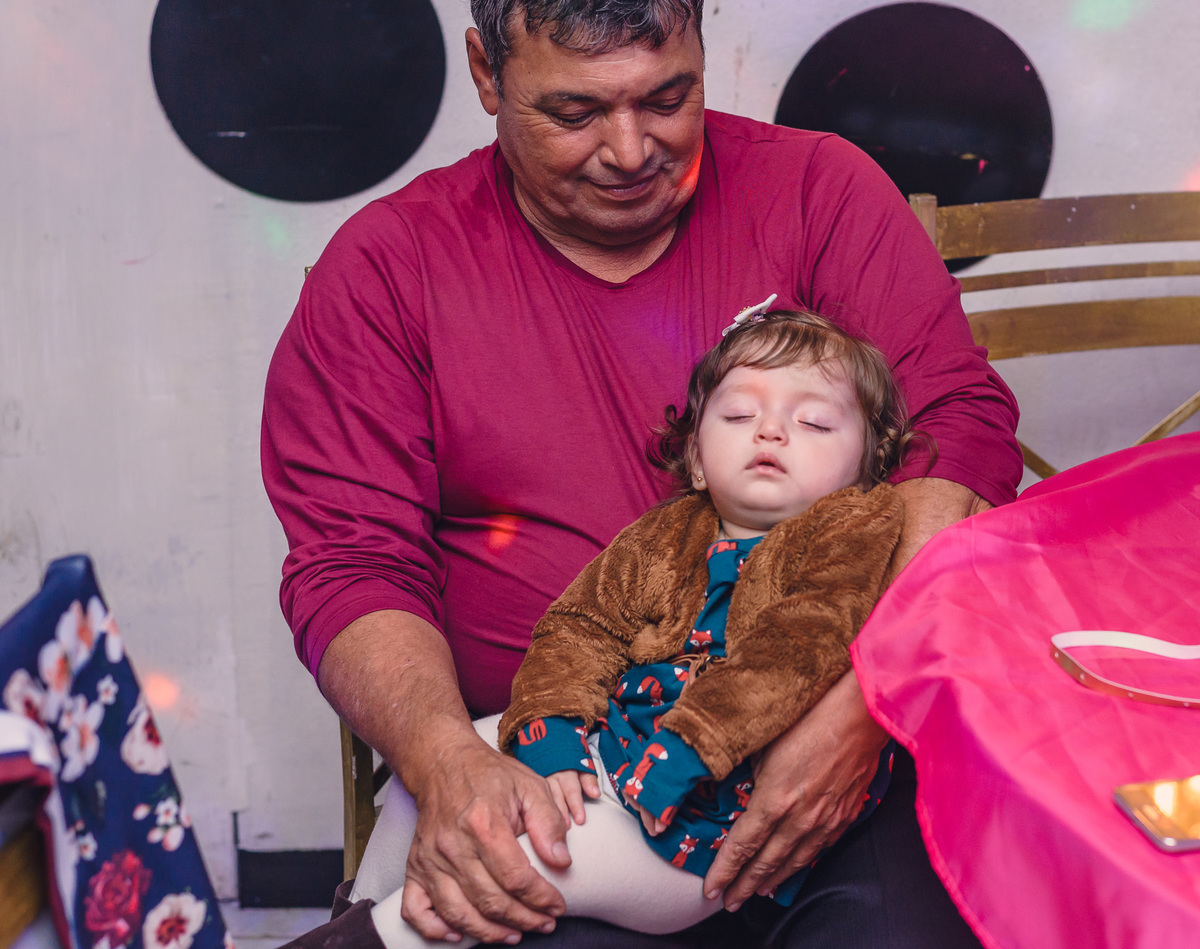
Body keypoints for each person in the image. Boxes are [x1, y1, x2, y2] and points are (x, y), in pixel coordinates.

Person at [261, 0, 1021, 945]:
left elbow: (957, 428)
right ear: (488, 74)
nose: (630, 152)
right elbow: (354, 562)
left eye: (667, 99)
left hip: (846, 757)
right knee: (492, 894)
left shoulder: (818, 190)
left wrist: (861, 708)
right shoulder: (389, 268)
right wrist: (447, 759)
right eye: (575, 113)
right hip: (558, 762)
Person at [366, 307, 913, 948]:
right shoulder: (667, 532)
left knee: (504, 862)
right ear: (698, 458)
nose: (770, 431)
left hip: (706, 815)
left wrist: (692, 746)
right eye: (740, 415)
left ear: (866, 467)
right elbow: (582, 627)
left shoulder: (853, 527)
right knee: (432, 775)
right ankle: (350, 914)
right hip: (618, 750)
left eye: (814, 422)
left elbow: (801, 644)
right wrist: (552, 723)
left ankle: (364, 939)